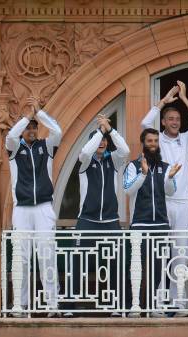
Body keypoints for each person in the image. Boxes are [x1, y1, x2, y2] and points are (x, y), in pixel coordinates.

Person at [140, 81, 188, 314]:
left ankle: (178, 302)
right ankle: (159, 303)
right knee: (161, 253)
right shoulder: (156, 138)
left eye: (177, 119)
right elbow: (144, 123)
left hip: (183, 203)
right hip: (162, 203)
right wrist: (164, 101)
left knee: (180, 252)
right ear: (164, 122)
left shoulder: (187, 139)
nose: (175, 123)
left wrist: (185, 98)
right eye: (171, 119)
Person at [64, 114, 130, 318]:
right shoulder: (84, 162)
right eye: (98, 139)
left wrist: (110, 130)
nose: (101, 142)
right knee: (77, 261)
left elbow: (125, 150)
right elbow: (85, 151)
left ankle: (120, 306)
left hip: (110, 220)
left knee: (118, 260)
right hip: (87, 220)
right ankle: (68, 306)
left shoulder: (114, 161)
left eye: (104, 140)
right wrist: (100, 131)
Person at [6, 96, 62, 317]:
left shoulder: (45, 147)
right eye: (27, 128)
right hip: (22, 209)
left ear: (38, 130)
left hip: (43, 208)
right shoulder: (13, 149)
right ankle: (20, 305)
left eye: (33, 128)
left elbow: (57, 131)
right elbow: (11, 135)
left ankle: (52, 304)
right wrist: (26, 117)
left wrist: (39, 113)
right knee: (21, 256)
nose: (30, 130)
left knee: (46, 254)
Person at [123, 128, 181, 318]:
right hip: (140, 223)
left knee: (158, 267)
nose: (153, 144)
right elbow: (128, 190)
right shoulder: (133, 166)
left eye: (156, 141)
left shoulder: (165, 166)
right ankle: (135, 306)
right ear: (143, 143)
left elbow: (170, 192)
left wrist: (171, 177)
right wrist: (143, 174)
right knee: (136, 267)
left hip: (161, 225)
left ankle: (155, 305)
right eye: (150, 141)